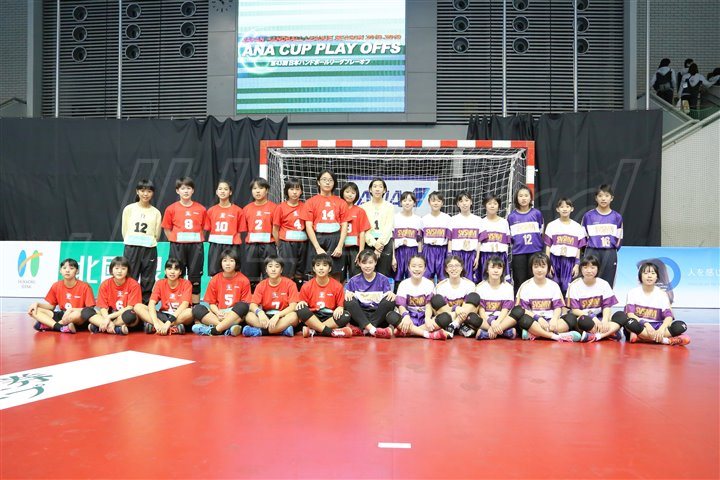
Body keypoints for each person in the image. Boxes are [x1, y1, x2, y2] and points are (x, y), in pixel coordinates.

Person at [509, 252, 579, 342]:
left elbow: (558, 307)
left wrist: (554, 319)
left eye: (543, 266)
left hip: (551, 322)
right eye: (536, 266)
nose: (539, 270)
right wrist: (538, 318)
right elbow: (523, 310)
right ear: (531, 268)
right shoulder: (525, 286)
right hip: (534, 321)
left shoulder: (554, 285)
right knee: (523, 320)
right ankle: (556, 336)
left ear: (548, 268)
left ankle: (536, 334)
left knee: (571, 318)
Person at [161, 176, 206, 304]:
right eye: (183, 188)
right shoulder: (171, 208)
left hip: (195, 247)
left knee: (195, 277)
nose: (186, 191)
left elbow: (204, 228)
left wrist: (195, 238)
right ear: (177, 191)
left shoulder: (201, 209)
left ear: (193, 190)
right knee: (176, 274)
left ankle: (195, 308)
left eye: (188, 188)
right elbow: (167, 228)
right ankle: (175, 304)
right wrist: (175, 240)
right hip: (178, 246)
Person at [622, 262, 690, 346]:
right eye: (646, 273)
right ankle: (666, 340)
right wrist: (646, 324)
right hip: (641, 325)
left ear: (657, 277)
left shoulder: (662, 294)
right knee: (629, 323)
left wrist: (662, 328)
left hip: (658, 326)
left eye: (653, 273)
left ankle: (642, 338)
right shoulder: (632, 292)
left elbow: (669, 316)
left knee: (681, 326)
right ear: (640, 276)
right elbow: (630, 314)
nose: (649, 276)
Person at [564, 255, 625, 343]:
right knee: (583, 321)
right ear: (581, 268)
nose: (589, 271)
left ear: (598, 269)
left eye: (592, 267)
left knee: (621, 315)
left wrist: (604, 321)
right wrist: (592, 317)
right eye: (585, 267)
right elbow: (575, 310)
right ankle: (610, 333)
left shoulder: (604, 284)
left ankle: (597, 336)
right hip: (584, 318)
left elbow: (607, 306)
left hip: (600, 318)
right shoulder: (574, 285)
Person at [385, 255, 448, 340]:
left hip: (424, 318)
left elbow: (428, 305)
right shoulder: (403, 284)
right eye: (414, 266)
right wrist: (406, 316)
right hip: (409, 318)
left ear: (425, 269)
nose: (417, 269)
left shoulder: (429, 284)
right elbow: (401, 306)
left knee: (445, 318)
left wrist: (427, 318)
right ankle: (428, 334)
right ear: (409, 268)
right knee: (390, 316)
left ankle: (408, 332)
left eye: (420, 266)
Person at [191, 248, 250, 336]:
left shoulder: (244, 280)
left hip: (234, 314)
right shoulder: (215, 279)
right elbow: (212, 303)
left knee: (243, 306)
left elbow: (245, 304)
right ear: (221, 263)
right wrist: (218, 313)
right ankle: (227, 328)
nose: (228, 264)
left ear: (236, 263)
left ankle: (214, 330)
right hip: (219, 313)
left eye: (231, 261)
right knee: (197, 309)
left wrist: (229, 314)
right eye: (225, 261)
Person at [301, 170, 348, 281]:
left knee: (336, 273)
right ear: (318, 182)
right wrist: (317, 247)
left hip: (335, 238)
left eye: (330, 180)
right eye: (324, 180)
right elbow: (308, 226)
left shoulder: (341, 202)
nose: (327, 182)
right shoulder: (310, 202)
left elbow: (344, 225)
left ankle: (336, 292)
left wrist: (340, 246)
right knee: (318, 271)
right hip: (317, 238)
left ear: (334, 183)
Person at [28, 258, 95, 334]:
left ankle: (49, 325)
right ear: (60, 271)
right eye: (64, 268)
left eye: (71, 268)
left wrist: (72, 310)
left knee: (76, 315)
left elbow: (90, 309)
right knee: (34, 310)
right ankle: (60, 327)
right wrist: (37, 304)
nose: (67, 270)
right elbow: (51, 307)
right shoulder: (56, 285)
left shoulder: (84, 286)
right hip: (63, 314)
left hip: (77, 316)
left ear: (77, 271)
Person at [121, 179, 161, 303]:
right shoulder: (129, 209)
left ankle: (144, 305)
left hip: (149, 249)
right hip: (132, 248)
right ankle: (129, 305)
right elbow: (124, 230)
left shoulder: (156, 212)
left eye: (149, 191)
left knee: (148, 278)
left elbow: (157, 234)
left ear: (152, 193)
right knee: (130, 276)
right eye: (142, 191)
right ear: (137, 191)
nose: (145, 194)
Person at [296, 253, 353, 338]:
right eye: (318, 265)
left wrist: (340, 307)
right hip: (313, 316)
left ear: (329, 269)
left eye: (325, 265)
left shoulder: (337, 286)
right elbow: (302, 304)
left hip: (330, 317)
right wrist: (301, 303)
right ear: (314, 268)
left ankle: (314, 331)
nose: (321, 268)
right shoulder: (306, 286)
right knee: (301, 309)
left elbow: (340, 306)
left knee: (346, 315)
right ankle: (331, 332)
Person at [243, 256, 300, 337]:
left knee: (294, 316)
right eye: (270, 266)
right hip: (266, 317)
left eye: (277, 266)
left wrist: (278, 315)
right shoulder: (261, 285)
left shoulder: (290, 284)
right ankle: (281, 331)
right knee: (248, 316)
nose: (273, 269)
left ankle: (261, 332)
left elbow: (293, 306)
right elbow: (252, 305)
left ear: (281, 270)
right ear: (266, 269)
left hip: (283, 316)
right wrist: (260, 312)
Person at [344, 250, 396, 338]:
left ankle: (365, 329)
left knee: (390, 300)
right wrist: (348, 295)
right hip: (360, 316)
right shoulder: (353, 280)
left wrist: (392, 295)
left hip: (378, 316)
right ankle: (373, 330)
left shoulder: (383, 280)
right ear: (359, 263)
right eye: (364, 263)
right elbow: (350, 303)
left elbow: (386, 302)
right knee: (348, 301)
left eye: (370, 262)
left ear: (375, 262)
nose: (367, 266)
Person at [134, 257, 192, 335]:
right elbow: (151, 303)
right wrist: (156, 323)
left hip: (178, 316)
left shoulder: (186, 283)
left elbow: (185, 305)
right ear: (165, 271)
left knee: (190, 312)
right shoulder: (160, 283)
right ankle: (169, 329)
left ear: (180, 272)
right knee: (138, 307)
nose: (172, 272)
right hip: (163, 315)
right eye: (169, 269)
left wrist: (168, 323)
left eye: (176, 269)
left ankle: (163, 328)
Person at [86, 256, 142, 335]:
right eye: (116, 268)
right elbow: (103, 307)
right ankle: (116, 329)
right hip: (108, 315)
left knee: (131, 315)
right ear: (111, 270)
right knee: (86, 311)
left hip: (122, 316)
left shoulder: (134, 285)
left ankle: (101, 327)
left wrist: (109, 318)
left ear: (127, 271)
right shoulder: (105, 284)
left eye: (123, 269)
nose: (119, 271)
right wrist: (106, 317)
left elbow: (130, 307)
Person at [581, 184, 623, 287]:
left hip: (609, 252)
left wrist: (612, 249)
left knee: (608, 283)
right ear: (596, 198)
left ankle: (607, 298)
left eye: (606, 195)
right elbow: (582, 237)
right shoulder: (588, 216)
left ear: (611, 198)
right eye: (600, 196)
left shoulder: (617, 217)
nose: (603, 198)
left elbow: (619, 238)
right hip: (592, 251)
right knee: (590, 280)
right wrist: (587, 250)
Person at [544, 197, 586, 295]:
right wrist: (548, 264)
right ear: (557, 209)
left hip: (569, 261)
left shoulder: (577, 227)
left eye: (567, 206)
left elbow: (578, 247)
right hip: (554, 260)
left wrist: (577, 264)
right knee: (553, 286)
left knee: (567, 288)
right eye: (562, 207)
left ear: (572, 209)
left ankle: (567, 305)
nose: (565, 209)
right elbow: (548, 246)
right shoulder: (551, 225)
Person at [204, 180, 245, 277]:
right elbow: (207, 229)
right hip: (215, 246)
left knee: (232, 272)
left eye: (226, 189)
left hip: (232, 245)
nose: (222, 191)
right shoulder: (211, 211)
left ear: (230, 192)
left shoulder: (238, 211)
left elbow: (240, 231)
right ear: (216, 192)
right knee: (214, 273)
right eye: (220, 189)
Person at [508, 185, 544, 294]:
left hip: (535, 251)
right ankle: (519, 302)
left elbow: (541, 231)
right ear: (516, 198)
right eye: (521, 196)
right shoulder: (511, 217)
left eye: (526, 195)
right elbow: (510, 236)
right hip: (519, 253)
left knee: (535, 280)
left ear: (530, 198)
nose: (523, 198)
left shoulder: (536, 214)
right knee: (520, 281)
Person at [430, 255, 477, 338]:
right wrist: (456, 309)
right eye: (450, 266)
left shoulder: (470, 284)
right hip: (448, 318)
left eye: (457, 266)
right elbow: (437, 310)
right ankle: (460, 327)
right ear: (446, 269)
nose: (454, 268)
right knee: (436, 300)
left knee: (475, 297)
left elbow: (472, 307)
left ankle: (454, 325)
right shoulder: (440, 286)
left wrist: (459, 314)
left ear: (461, 268)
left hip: (464, 318)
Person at [242, 177, 277, 287]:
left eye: (261, 188)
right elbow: (244, 230)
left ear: (267, 190)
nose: (257, 191)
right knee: (251, 279)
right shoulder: (246, 209)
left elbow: (276, 229)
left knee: (270, 277)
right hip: (251, 247)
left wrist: (277, 245)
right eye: (254, 188)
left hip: (268, 246)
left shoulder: (274, 208)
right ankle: (253, 298)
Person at [272, 177, 307, 284]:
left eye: (297, 189)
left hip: (302, 244)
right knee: (287, 272)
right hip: (286, 244)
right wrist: (280, 245)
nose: (294, 192)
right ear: (286, 191)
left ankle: (299, 292)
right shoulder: (280, 207)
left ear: (301, 191)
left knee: (300, 273)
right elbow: (275, 229)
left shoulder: (305, 207)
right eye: (291, 189)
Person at [474, 255, 517, 340]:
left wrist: (497, 323)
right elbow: (481, 311)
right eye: (492, 267)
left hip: (502, 319)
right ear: (487, 270)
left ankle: (486, 334)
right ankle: (505, 332)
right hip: (486, 320)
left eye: (499, 268)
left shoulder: (508, 287)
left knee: (518, 311)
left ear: (503, 270)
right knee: (471, 317)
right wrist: (492, 322)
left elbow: (505, 310)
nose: (496, 271)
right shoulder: (480, 287)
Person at [360, 177, 395, 277]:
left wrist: (379, 245)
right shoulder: (363, 207)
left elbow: (388, 227)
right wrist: (374, 244)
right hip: (369, 243)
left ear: (384, 190)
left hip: (385, 243)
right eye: (375, 186)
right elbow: (364, 228)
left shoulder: (389, 206)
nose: (377, 189)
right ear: (370, 190)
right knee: (368, 273)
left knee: (383, 274)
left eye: (380, 186)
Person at [448, 191, 482, 282]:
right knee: (456, 280)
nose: (464, 203)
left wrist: (477, 257)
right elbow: (450, 240)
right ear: (458, 204)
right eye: (461, 201)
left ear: (471, 202)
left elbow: (479, 241)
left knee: (470, 281)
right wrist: (450, 255)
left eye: (466, 200)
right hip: (457, 254)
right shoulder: (452, 220)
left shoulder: (478, 220)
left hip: (472, 255)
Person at [340, 182, 370, 279]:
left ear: (356, 195)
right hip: (340, 247)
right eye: (347, 192)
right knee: (340, 276)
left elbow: (362, 232)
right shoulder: (337, 209)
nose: (350, 195)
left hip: (354, 249)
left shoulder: (360, 211)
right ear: (342, 192)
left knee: (356, 276)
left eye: (353, 193)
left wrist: (361, 252)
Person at [392, 191, 423, 285]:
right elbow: (392, 240)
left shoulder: (418, 219)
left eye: (410, 200)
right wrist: (393, 257)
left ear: (414, 203)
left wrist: (419, 256)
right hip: (398, 252)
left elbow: (419, 240)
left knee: (413, 279)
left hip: (412, 251)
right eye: (405, 200)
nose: (407, 203)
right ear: (401, 202)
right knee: (398, 280)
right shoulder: (394, 218)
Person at [478, 193, 511, 280]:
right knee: (485, 280)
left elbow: (506, 243)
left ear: (499, 206)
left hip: (501, 255)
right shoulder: (481, 222)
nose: (492, 206)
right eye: (489, 203)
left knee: (502, 281)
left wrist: (505, 258)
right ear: (485, 205)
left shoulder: (504, 222)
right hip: (486, 255)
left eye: (495, 203)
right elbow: (479, 242)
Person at [421, 191, 451, 281]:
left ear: (442, 203)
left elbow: (450, 238)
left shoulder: (447, 218)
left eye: (438, 201)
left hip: (442, 250)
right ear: (429, 202)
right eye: (433, 201)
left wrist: (449, 252)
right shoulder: (424, 219)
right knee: (427, 278)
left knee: (443, 278)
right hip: (428, 250)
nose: (436, 203)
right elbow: (420, 238)